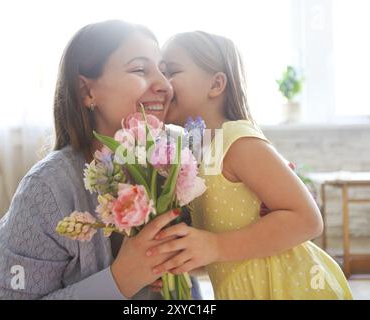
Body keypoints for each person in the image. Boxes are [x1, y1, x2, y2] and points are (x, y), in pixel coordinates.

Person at [0, 20, 198, 300]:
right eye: (140, 69)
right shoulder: (45, 192)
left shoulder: (174, 161)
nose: (164, 85)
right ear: (87, 91)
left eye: (163, 70)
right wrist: (120, 279)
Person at [147, 31, 353, 299]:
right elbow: (226, 243)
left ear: (216, 85)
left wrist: (215, 246)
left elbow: (308, 219)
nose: (163, 83)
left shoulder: (237, 141)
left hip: (288, 288)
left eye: (171, 70)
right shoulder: (196, 153)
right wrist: (186, 260)